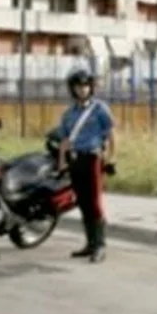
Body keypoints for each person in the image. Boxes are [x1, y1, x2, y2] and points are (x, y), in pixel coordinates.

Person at [56, 68, 115, 263]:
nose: (82, 90)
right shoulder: (68, 114)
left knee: (94, 202)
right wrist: (62, 163)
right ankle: (89, 243)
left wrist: (112, 157)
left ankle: (100, 245)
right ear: (72, 89)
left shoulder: (99, 109)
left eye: (86, 85)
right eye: (78, 86)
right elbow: (64, 141)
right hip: (75, 160)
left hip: (92, 158)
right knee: (82, 202)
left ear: (91, 87)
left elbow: (110, 134)